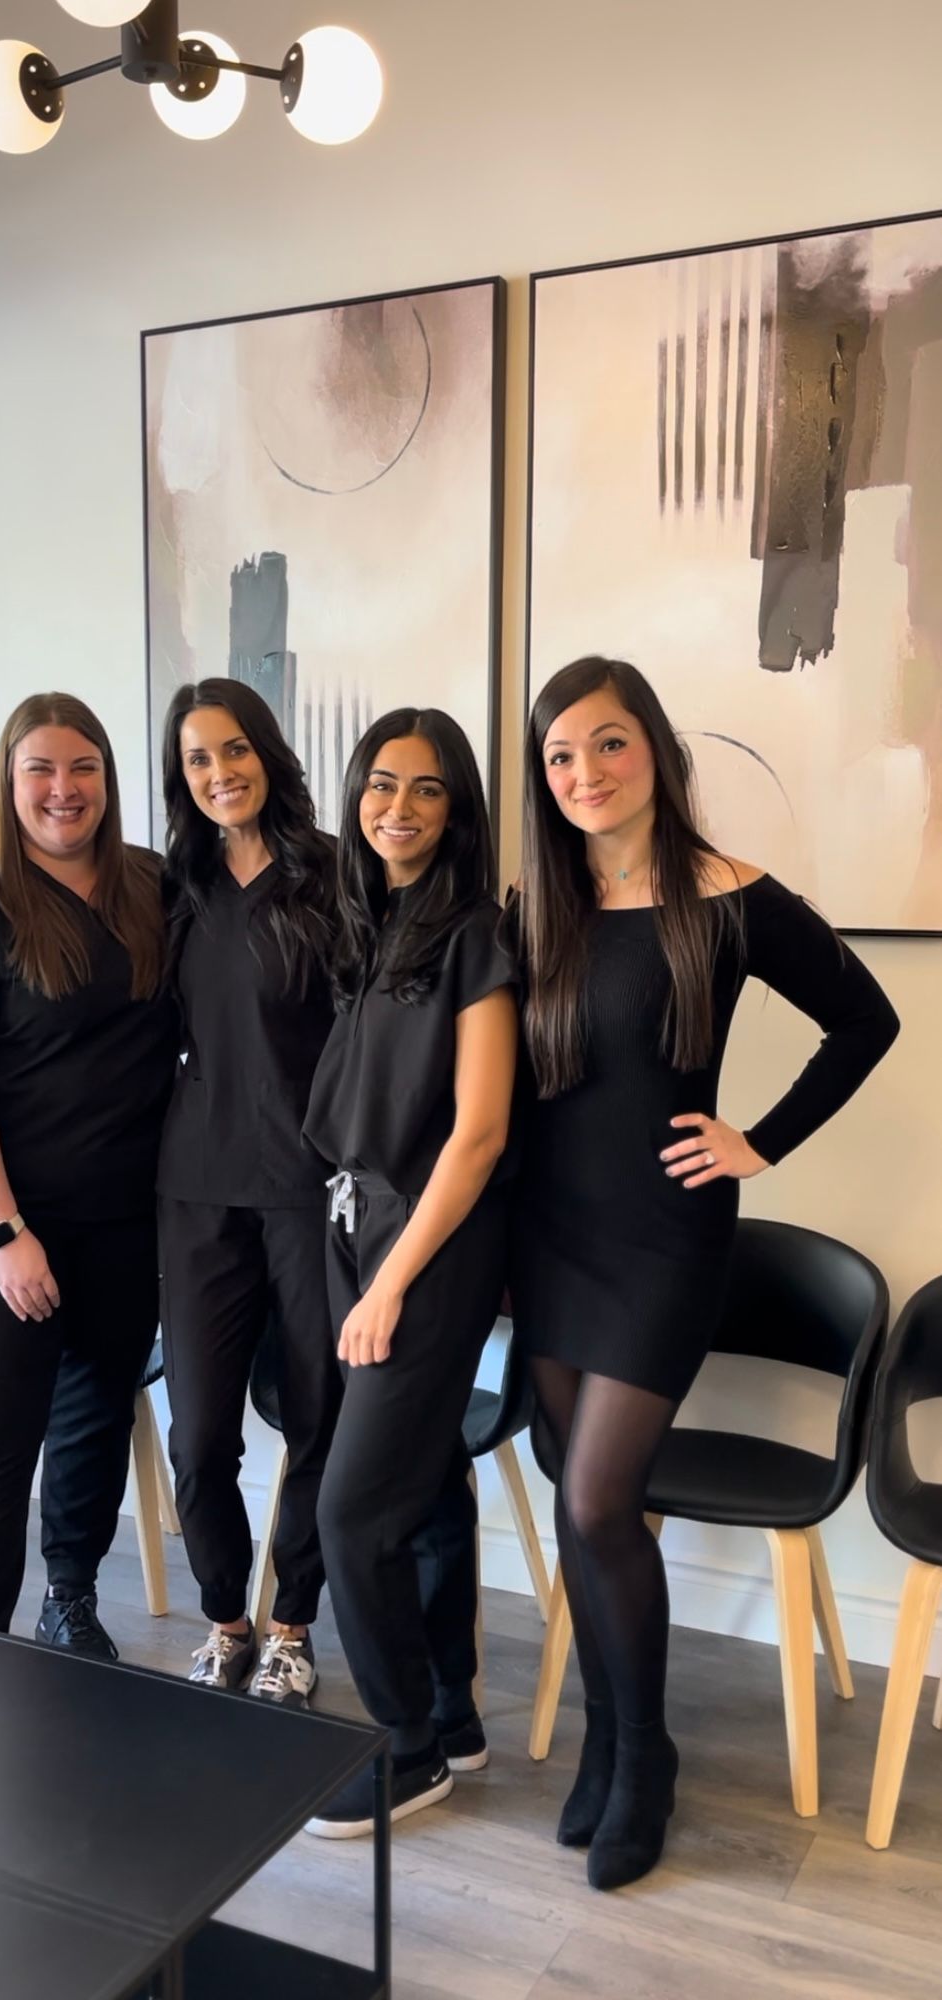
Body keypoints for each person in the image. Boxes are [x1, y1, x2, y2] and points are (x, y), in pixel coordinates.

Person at [510, 654, 900, 1890]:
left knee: (597, 1499)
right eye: (561, 755)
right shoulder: (541, 902)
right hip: (550, 1238)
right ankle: (607, 1740)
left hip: (665, 1242)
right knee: (570, 1479)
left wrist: (759, 1139)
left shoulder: (729, 894)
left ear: (654, 751)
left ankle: (648, 1754)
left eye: (608, 744)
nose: (584, 773)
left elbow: (867, 1019)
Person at [0, 692, 175, 1658]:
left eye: (83, 767)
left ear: (109, 778)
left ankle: (70, 1603)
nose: (64, 790)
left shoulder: (153, 889)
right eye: (41, 770)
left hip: (118, 1218)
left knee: (94, 1418)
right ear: (9, 783)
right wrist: (5, 1233)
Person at [301, 708, 518, 1838]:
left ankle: (405, 1745)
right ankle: (453, 1712)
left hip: (428, 1241)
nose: (399, 806)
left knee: (352, 1510)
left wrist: (391, 1282)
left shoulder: (475, 934)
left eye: (428, 789)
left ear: (459, 808)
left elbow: (478, 1134)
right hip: (356, 1222)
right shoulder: (370, 922)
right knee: (426, 1480)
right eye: (382, 784)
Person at [157, 677, 341, 1706]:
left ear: (266, 752)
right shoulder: (170, 884)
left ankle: (291, 1625)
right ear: (181, 775)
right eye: (196, 758)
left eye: (233, 749)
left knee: (317, 1413)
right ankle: (226, 1616)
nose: (219, 771)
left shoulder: (331, 877)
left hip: (311, 1192)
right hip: (194, 1191)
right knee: (200, 1433)